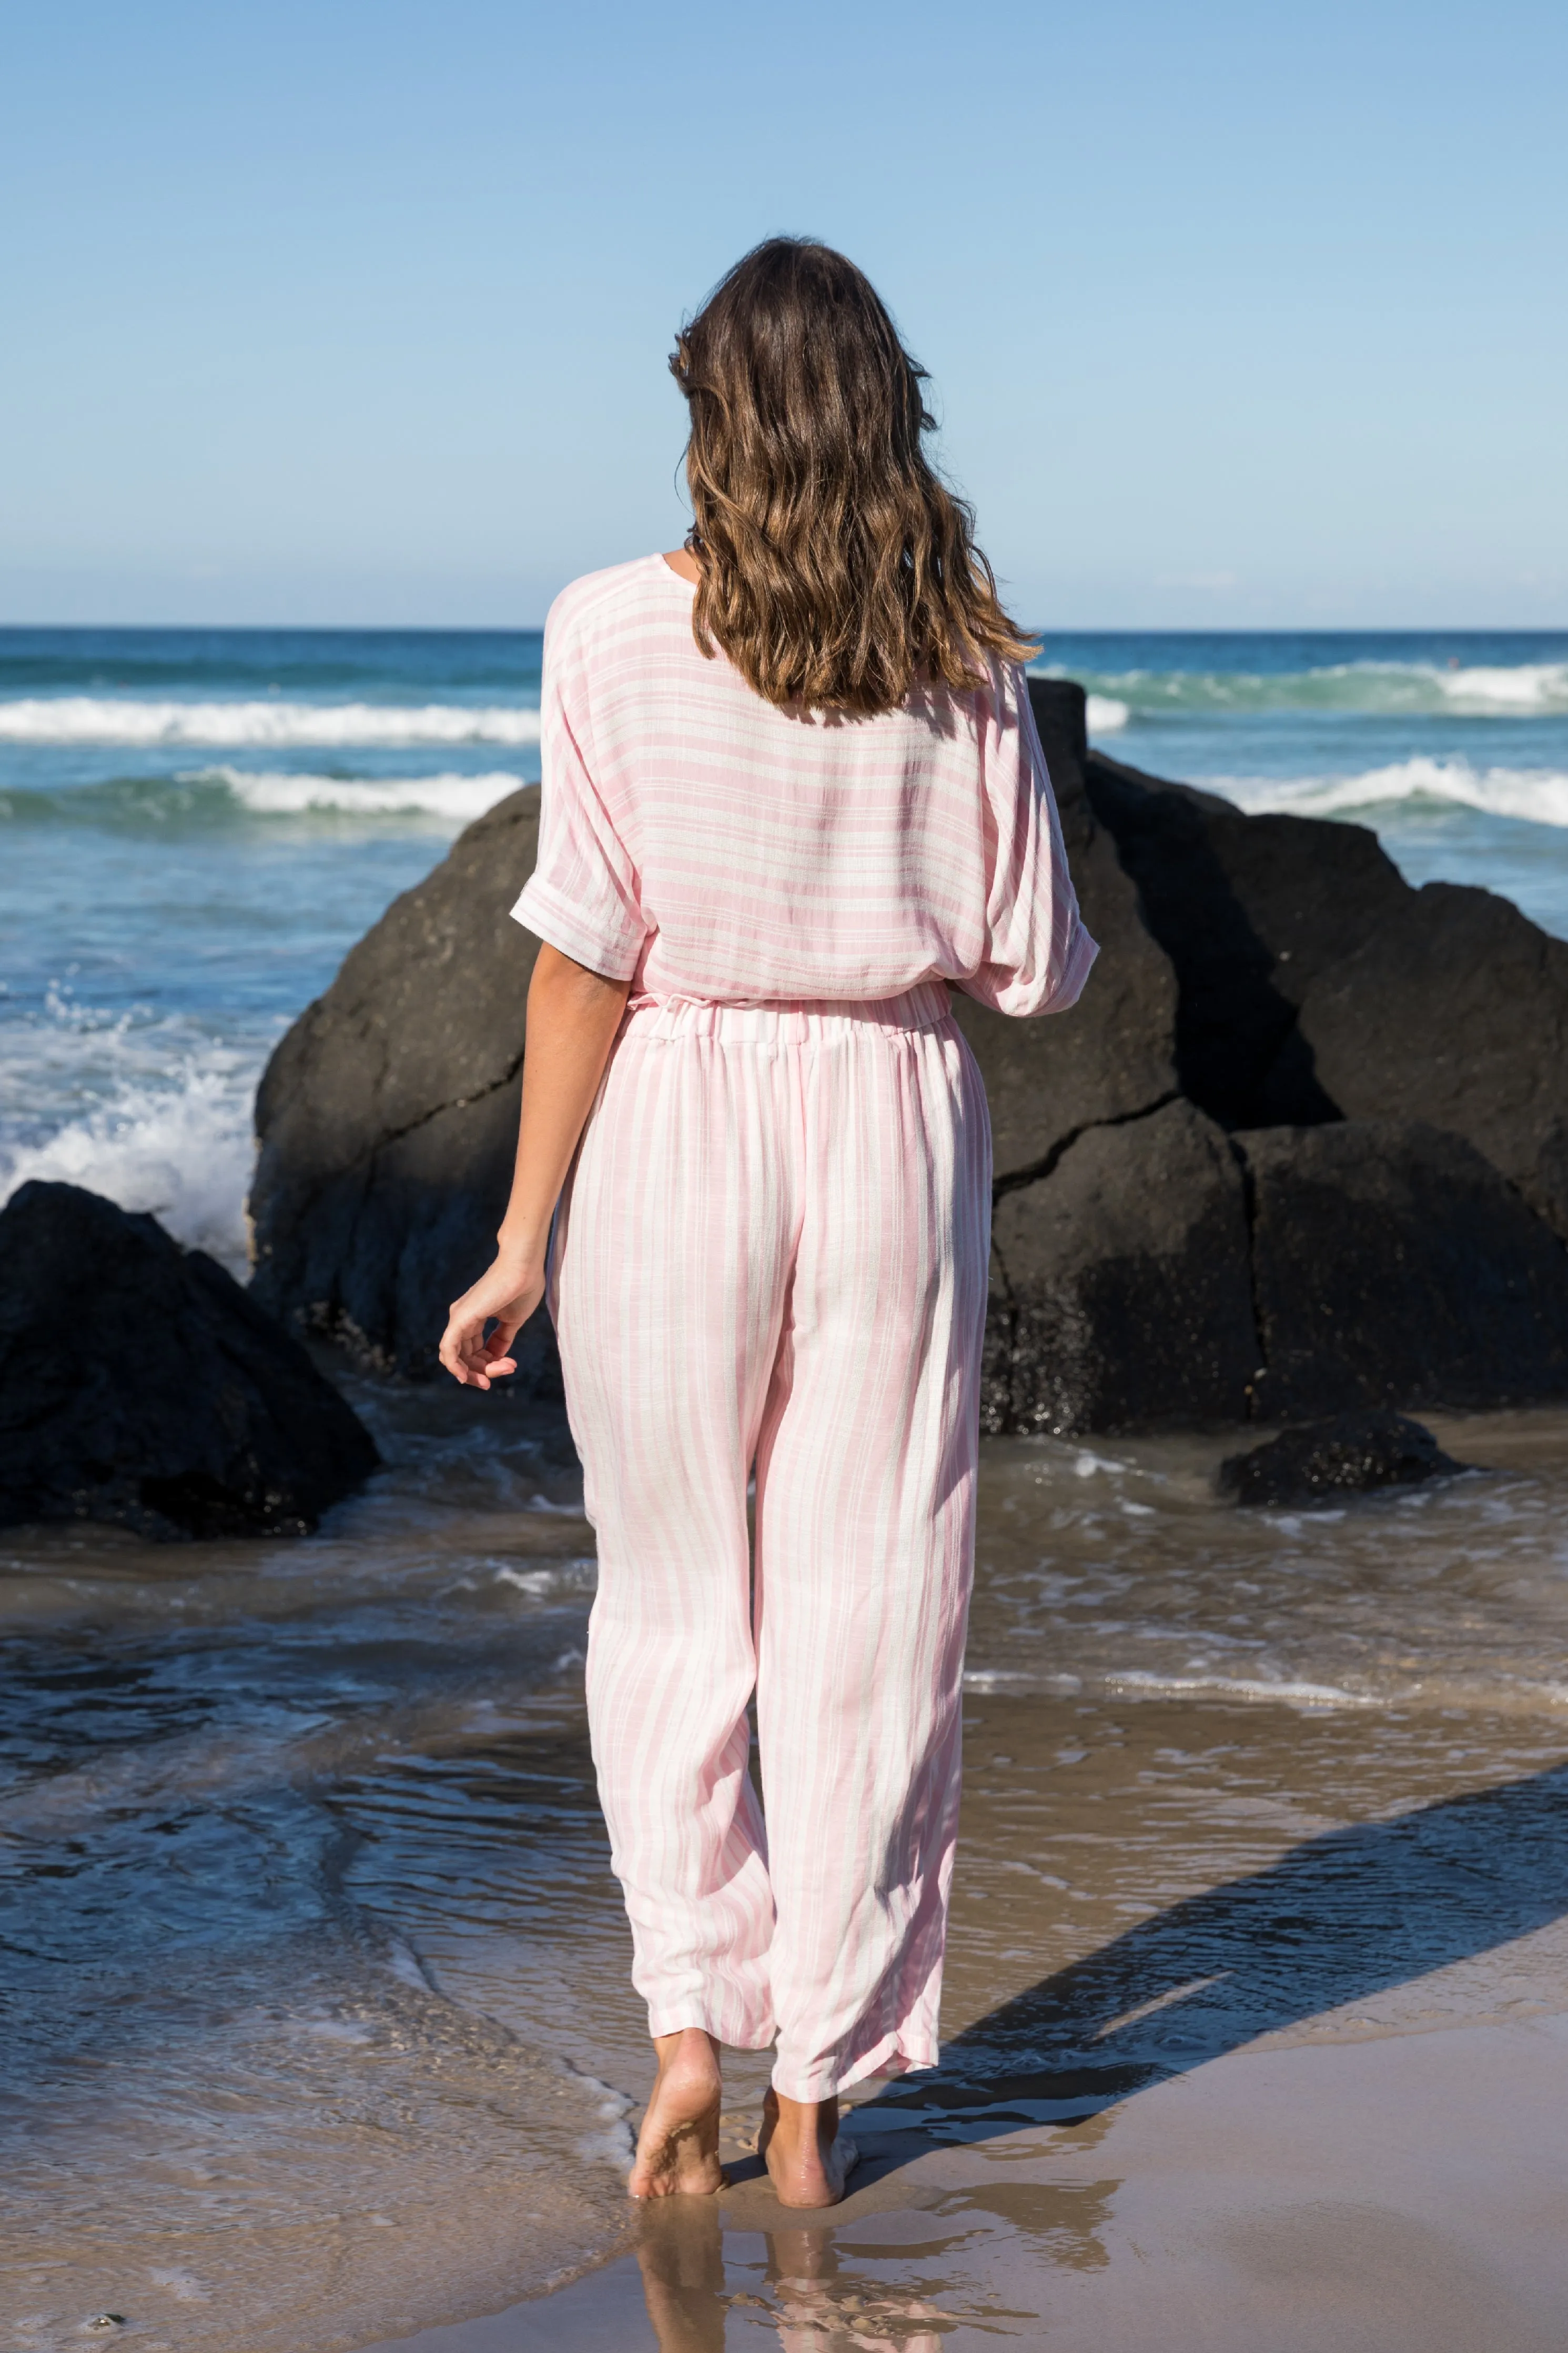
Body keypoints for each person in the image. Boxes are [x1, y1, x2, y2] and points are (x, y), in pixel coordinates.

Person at [438, 237, 1096, 2210]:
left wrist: (522, 1241)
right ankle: (818, 2105)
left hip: (674, 1124)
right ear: (884, 409)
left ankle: (687, 2047)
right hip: (887, 1116)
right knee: (868, 1614)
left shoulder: (604, 630)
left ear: (710, 415)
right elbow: (1032, 967)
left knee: (668, 1612)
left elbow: (582, 959)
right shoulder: (966, 654)